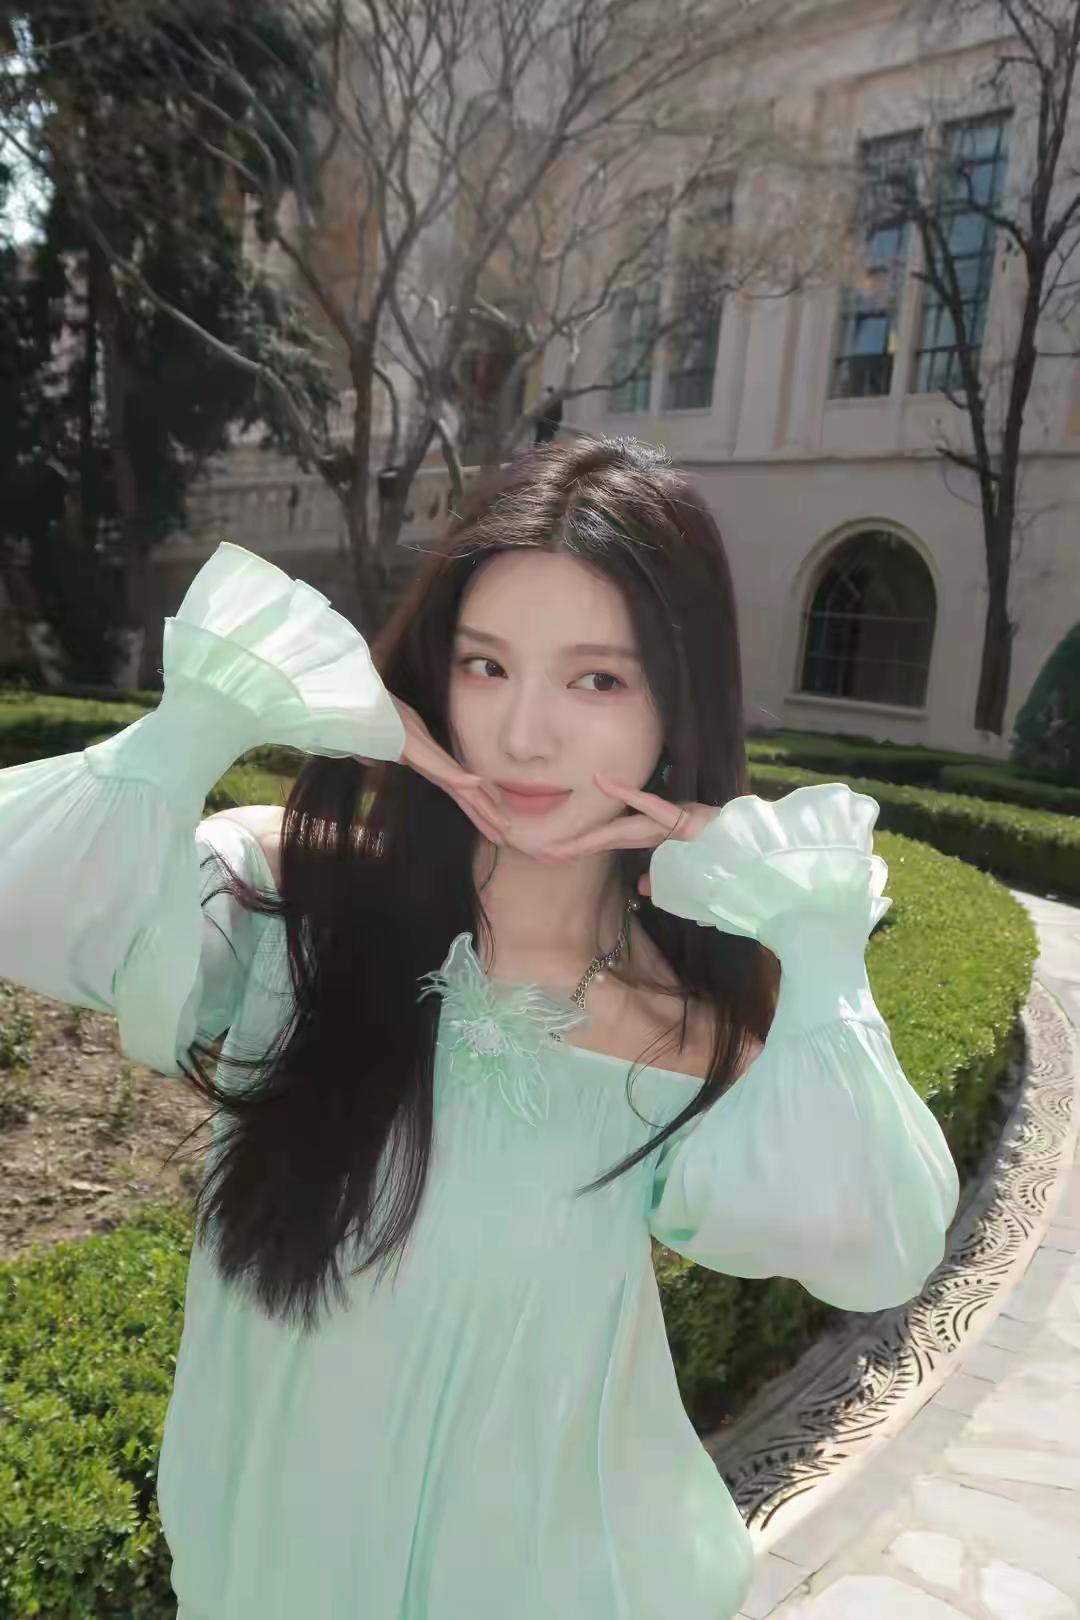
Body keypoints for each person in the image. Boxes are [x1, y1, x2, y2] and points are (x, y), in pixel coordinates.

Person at [0, 435, 960, 1620]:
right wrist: (208, 717)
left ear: (678, 703)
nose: (525, 734)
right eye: (487, 666)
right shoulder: (285, 899)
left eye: (597, 681)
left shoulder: (683, 1033)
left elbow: (881, 1246)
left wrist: (809, 934)